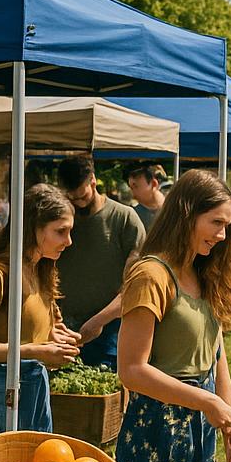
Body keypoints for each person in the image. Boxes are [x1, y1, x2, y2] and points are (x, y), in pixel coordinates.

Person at [115, 169, 231, 462]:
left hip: (200, 426)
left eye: (227, 226)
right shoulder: (151, 275)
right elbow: (131, 370)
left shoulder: (207, 274)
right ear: (187, 214)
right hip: (157, 429)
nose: (222, 235)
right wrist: (207, 402)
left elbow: (217, 364)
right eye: (216, 222)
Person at [0, 185, 81, 451]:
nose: (69, 241)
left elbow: (27, 330)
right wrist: (36, 350)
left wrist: (53, 336)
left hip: (33, 388)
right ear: (32, 228)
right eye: (61, 231)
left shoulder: (40, 269)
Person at [56, 155, 146, 367]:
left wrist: (98, 321)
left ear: (93, 182)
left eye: (81, 196)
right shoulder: (61, 219)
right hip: (63, 328)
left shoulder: (125, 218)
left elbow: (134, 285)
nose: (76, 203)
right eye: (70, 198)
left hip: (110, 330)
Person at [127, 164, 166, 231]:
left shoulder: (174, 209)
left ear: (154, 184)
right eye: (131, 188)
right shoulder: (132, 215)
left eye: (136, 187)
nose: (132, 193)